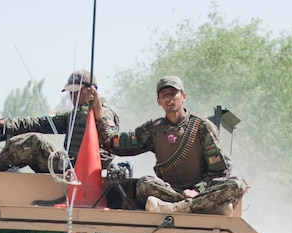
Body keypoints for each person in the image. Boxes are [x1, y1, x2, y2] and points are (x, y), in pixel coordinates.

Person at [104, 76, 248, 215]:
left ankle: (177, 208)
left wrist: (197, 190)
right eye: (164, 94)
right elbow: (118, 145)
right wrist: (100, 116)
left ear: (183, 97)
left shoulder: (202, 126)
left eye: (173, 94)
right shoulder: (154, 129)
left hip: (202, 190)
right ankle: (204, 207)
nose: (169, 98)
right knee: (144, 184)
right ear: (158, 101)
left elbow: (219, 172)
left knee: (237, 185)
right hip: (170, 190)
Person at [0, 69, 120, 174]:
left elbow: (110, 144)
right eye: (70, 92)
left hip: (84, 171)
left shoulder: (104, 114)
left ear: (90, 90)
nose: (71, 96)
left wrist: (84, 165)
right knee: (35, 139)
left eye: (75, 92)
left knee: (35, 142)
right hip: (67, 166)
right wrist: (6, 124)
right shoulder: (73, 114)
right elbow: (41, 123)